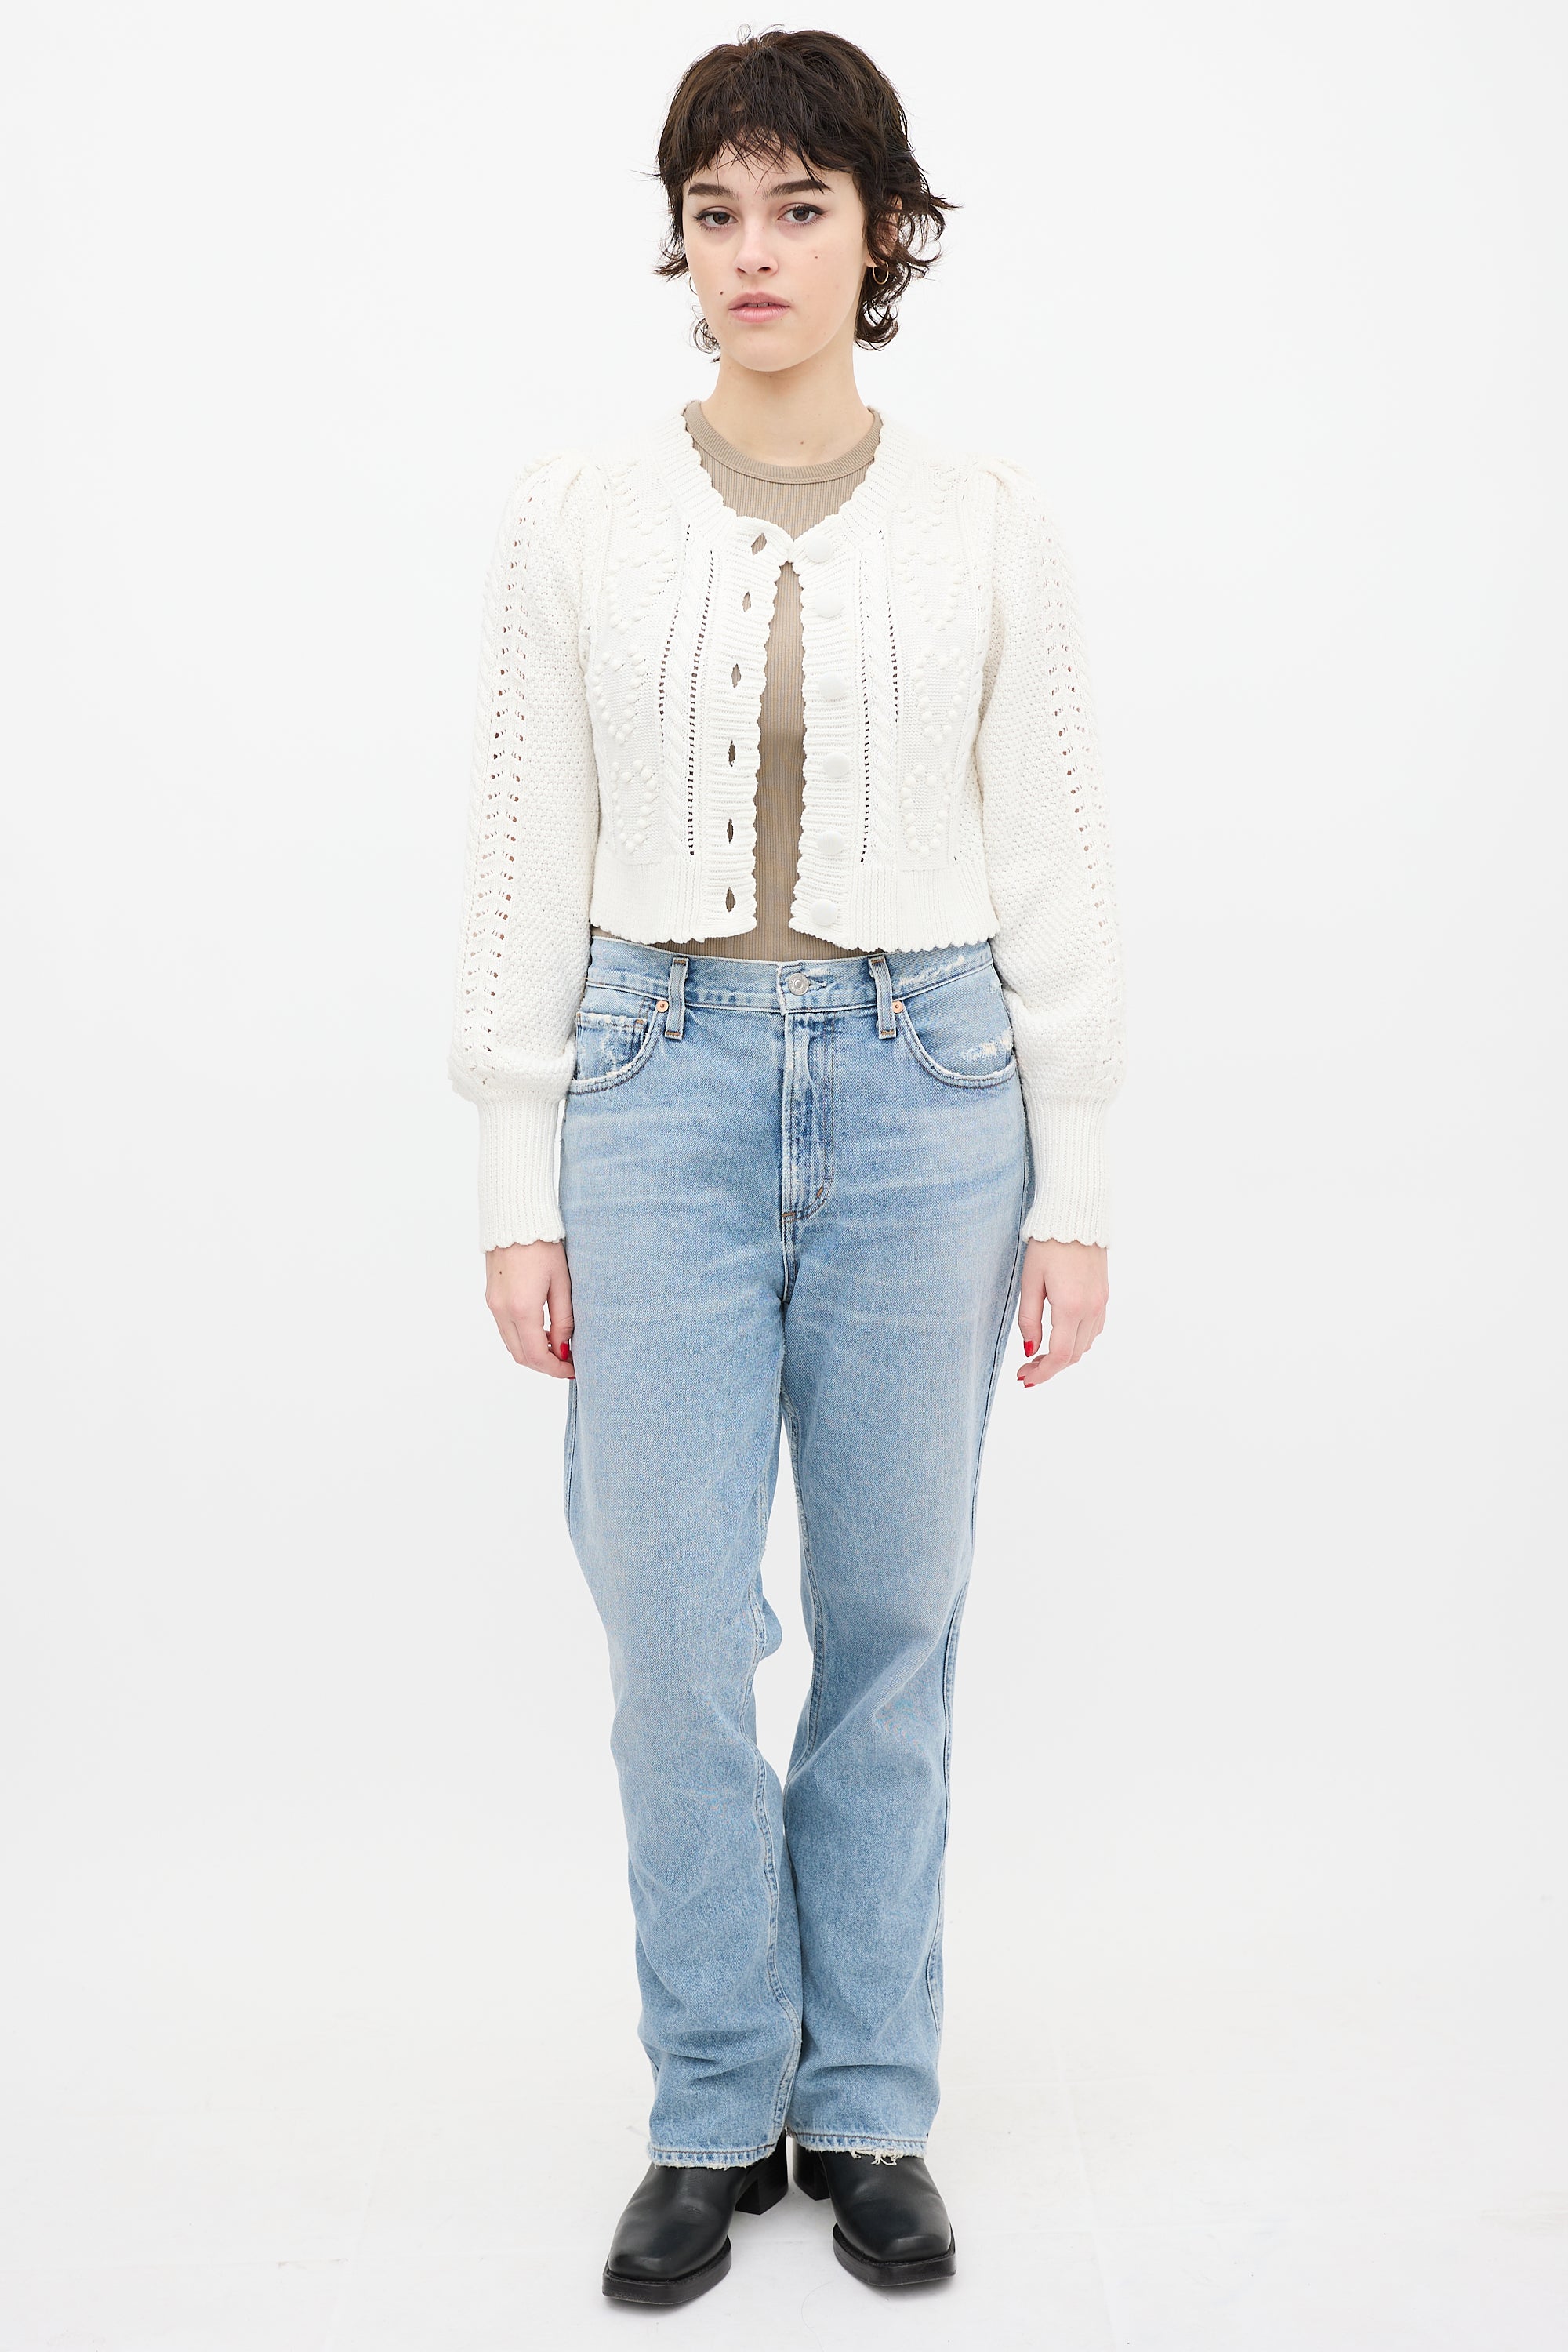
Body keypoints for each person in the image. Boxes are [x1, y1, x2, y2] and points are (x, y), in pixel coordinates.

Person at [447, 28, 1125, 2308]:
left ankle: (872, 2105)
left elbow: (1053, 854)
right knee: (669, 1625)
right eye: (716, 213)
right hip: (652, 1086)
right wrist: (516, 1184)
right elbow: (524, 853)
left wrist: (1077, 1178)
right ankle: (715, 2101)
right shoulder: (576, 515)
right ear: (682, 242)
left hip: (933, 1089)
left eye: (800, 210)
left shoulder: (990, 520)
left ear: (883, 235)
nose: (753, 253)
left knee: (894, 1619)